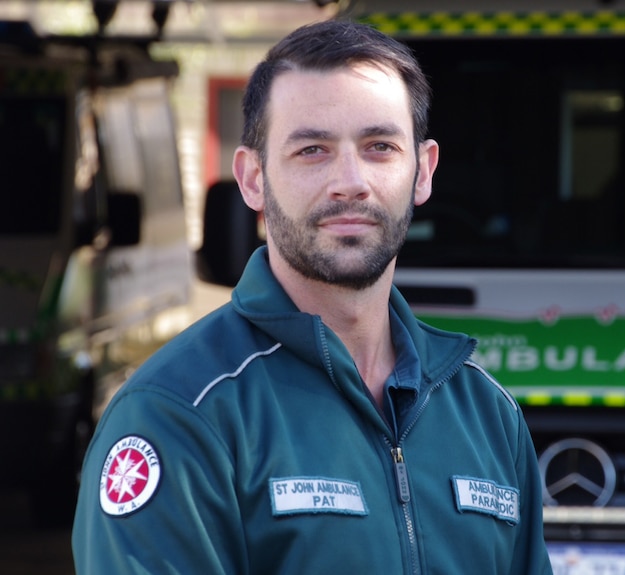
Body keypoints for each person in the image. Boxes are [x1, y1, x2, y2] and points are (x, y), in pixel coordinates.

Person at [72, 19, 553, 574]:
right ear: (253, 179)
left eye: (379, 147)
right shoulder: (177, 415)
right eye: (312, 150)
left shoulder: (487, 413)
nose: (351, 180)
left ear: (423, 172)